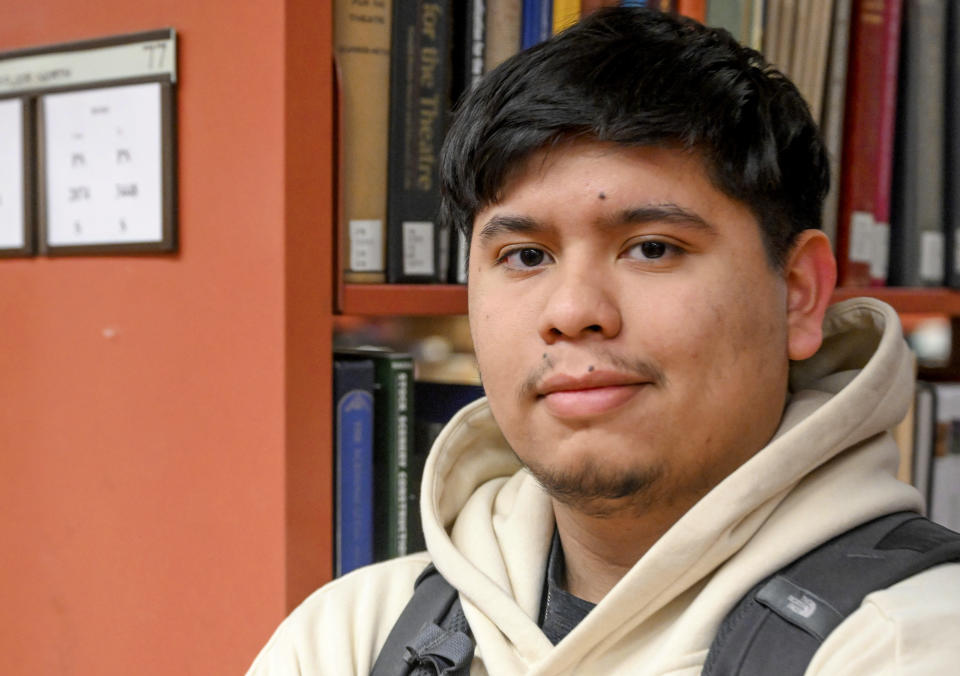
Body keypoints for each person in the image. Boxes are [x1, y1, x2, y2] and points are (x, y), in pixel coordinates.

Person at [248, 7, 960, 674]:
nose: (572, 311)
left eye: (651, 247)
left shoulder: (913, 639)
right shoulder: (353, 634)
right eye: (525, 256)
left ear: (799, 293)